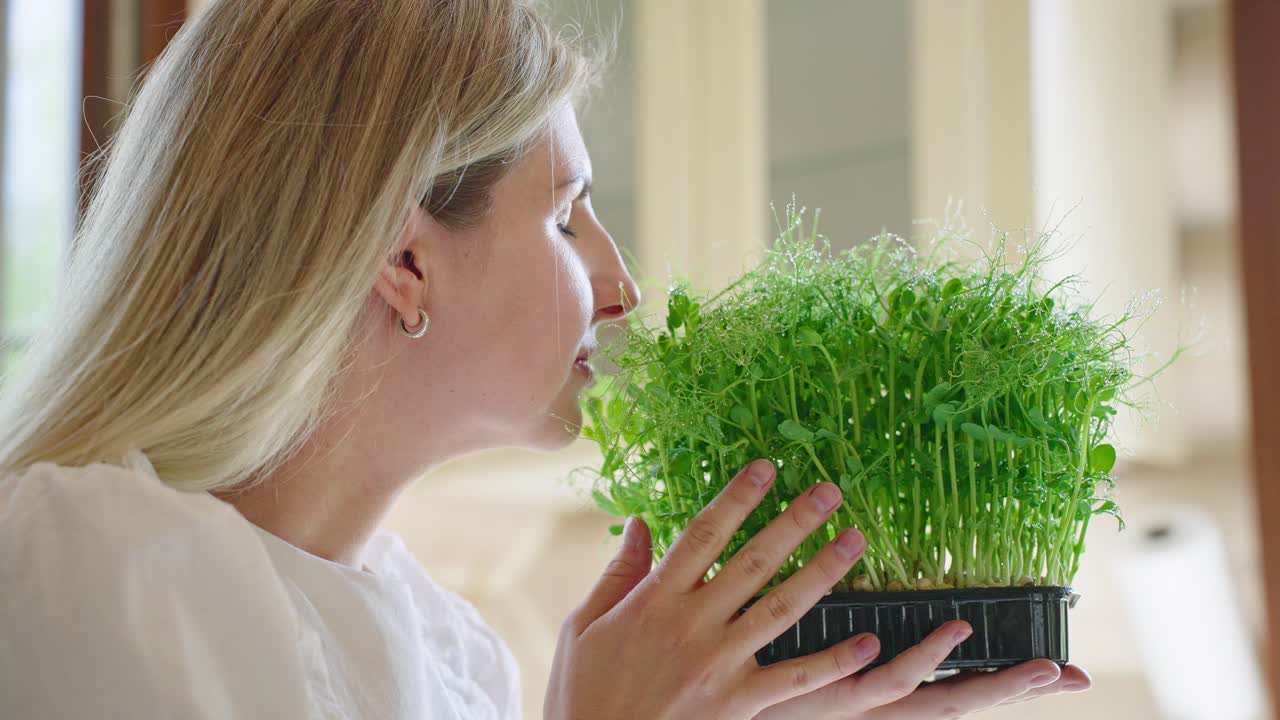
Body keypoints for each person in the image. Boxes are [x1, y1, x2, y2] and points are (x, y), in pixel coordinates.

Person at [0, 0, 1091, 718]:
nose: (619, 285)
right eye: (566, 216)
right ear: (403, 259)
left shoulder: (456, 661)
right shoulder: (85, 559)